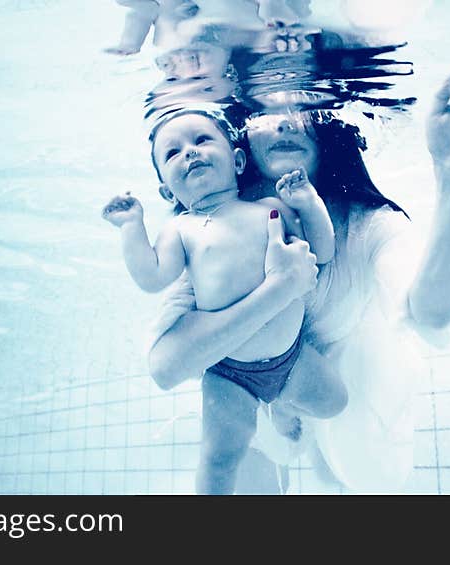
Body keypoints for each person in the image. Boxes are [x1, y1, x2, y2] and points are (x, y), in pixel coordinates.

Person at [147, 73, 450, 493]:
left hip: (347, 388)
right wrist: (278, 291)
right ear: (242, 141)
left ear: (327, 125)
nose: (284, 122)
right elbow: (167, 365)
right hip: (246, 381)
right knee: (240, 460)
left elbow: (431, 317)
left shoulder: (367, 225)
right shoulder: (208, 230)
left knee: (345, 474)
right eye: (265, 112)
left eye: (301, 106)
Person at [102, 109, 347, 494]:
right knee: (219, 460)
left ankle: (281, 406)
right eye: (173, 153)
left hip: (292, 357)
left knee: (335, 401)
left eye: (201, 140)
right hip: (229, 373)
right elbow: (152, 277)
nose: (190, 153)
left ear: (236, 160)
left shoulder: (272, 208)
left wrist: (308, 202)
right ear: (168, 191)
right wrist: (132, 227)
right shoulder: (180, 229)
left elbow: (323, 249)